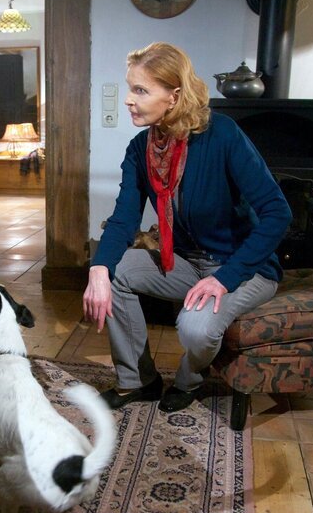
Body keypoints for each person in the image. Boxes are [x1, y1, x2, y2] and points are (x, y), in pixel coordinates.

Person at [83, 42, 292, 413]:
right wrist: (98, 267)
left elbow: (278, 213)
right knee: (110, 270)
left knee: (195, 329)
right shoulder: (140, 149)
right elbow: (124, 218)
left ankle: (189, 380)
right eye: (130, 88)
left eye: (140, 90)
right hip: (185, 260)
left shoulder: (222, 135)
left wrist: (225, 278)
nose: (129, 99)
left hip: (242, 267)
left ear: (174, 96)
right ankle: (138, 381)